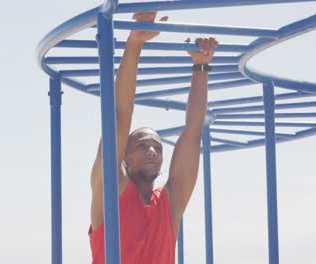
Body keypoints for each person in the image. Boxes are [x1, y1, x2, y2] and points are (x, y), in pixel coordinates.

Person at [88, 11, 218, 264]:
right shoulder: (111, 192)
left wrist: (201, 66)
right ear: (125, 155)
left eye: (156, 147)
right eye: (141, 145)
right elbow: (119, 115)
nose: (151, 151)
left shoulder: (170, 203)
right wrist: (135, 43)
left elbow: (192, 133)